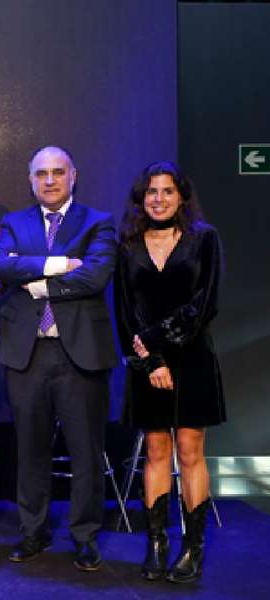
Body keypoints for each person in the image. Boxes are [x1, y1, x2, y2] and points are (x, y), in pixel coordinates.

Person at [0, 146, 118, 571]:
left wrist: (42, 285)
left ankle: (84, 536)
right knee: (30, 450)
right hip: (28, 353)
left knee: (86, 451)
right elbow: (2, 267)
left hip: (79, 352)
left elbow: (95, 275)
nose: (49, 180)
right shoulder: (14, 222)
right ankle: (33, 531)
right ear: (30, 179)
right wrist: (62, 263)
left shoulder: (97, 222)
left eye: (57, 173)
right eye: (41, 174)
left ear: (73, 176)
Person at [114, 161, 225, 583]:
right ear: (141, 199)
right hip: (148, 365)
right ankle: (156, 544)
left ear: (181, 196)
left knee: (191, 453)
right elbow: (124, 312)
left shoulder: (205, 240)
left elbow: (206, 303)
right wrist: (151, 362)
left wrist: (159, 342)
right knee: (156, 452)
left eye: (167, 191)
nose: (159, 199)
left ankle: (193, 550)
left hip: (193, 359)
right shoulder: (128, 244)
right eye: (151, 192)